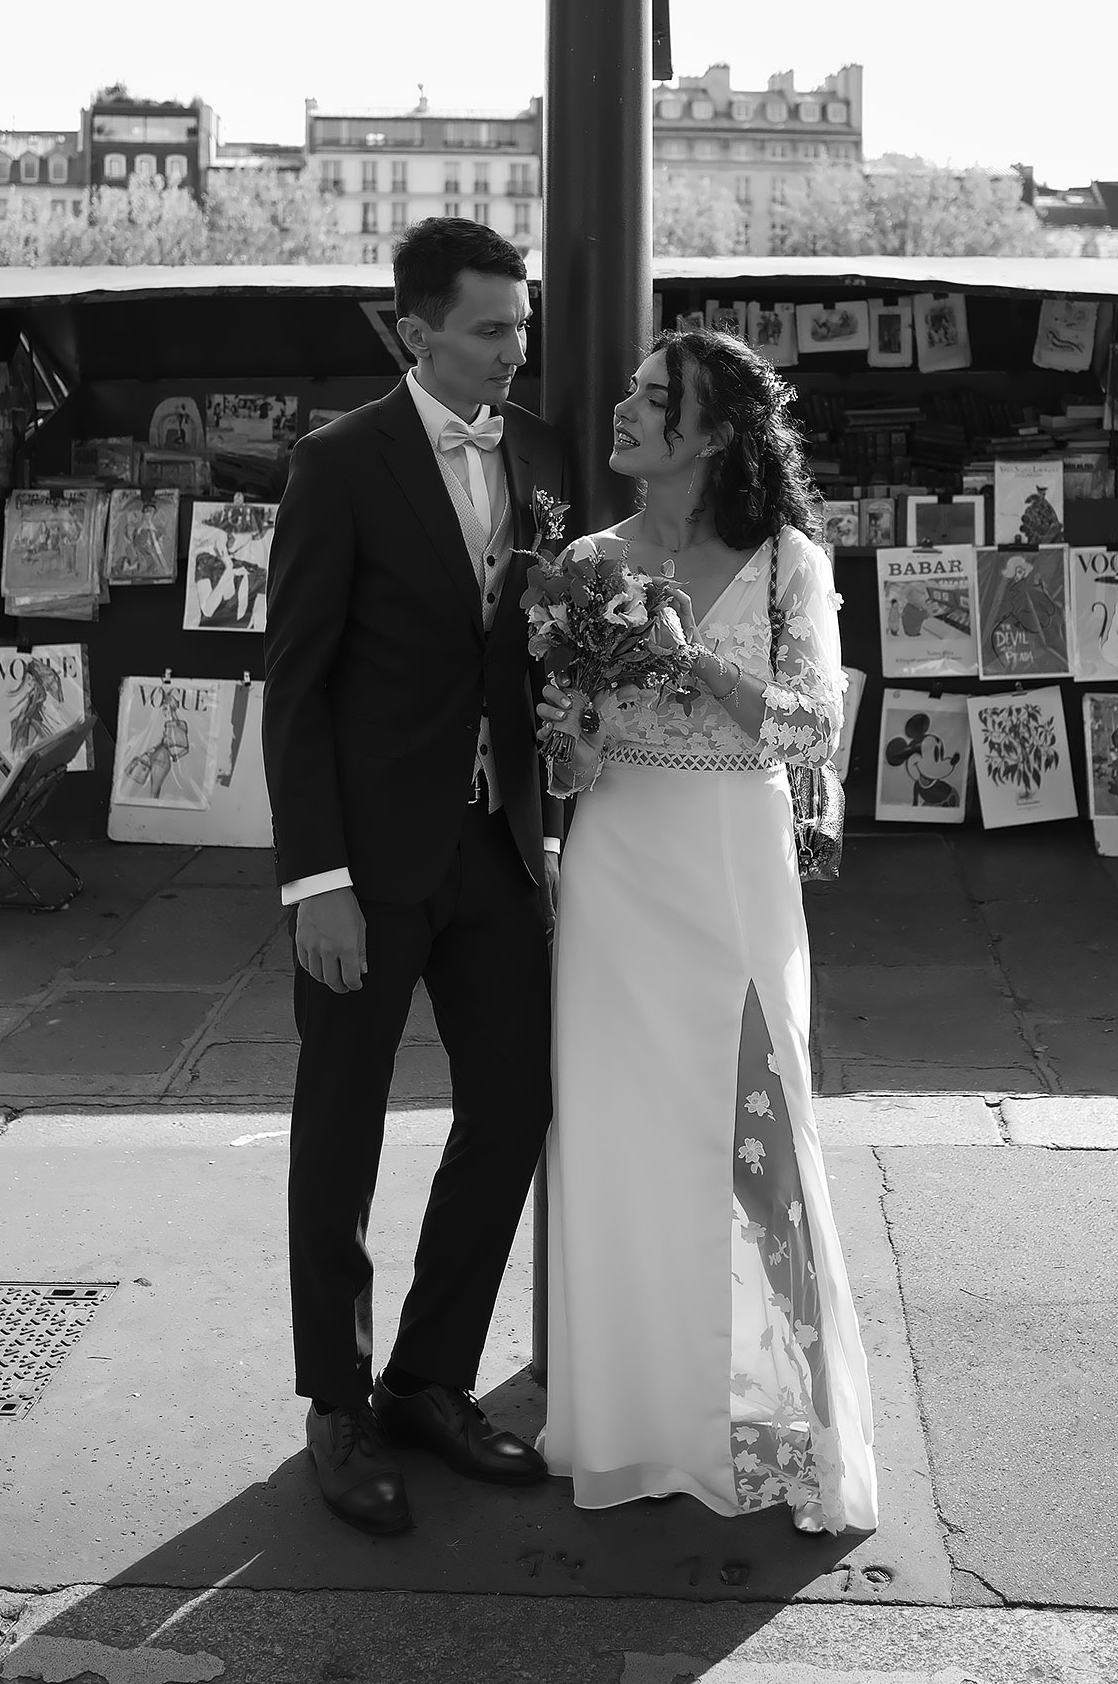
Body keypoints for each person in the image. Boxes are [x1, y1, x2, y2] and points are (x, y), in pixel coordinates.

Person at [536, 327, 877, 1539]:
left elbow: (811, 729)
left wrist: (695, 664)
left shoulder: (787, 562)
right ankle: (631, 1423)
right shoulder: (586, 563)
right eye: (630, 392)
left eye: (653, 398)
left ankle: (777, 1430)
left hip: (734, 873)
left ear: (716, 432)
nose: (624, 410)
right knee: (619, 1140)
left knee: (753, 1136)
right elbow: (570, 767)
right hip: (616, 871)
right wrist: (573, 733)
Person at [262, 217, 566, 1538]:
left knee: (514, 1105)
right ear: (416, 330)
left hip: (496, 853)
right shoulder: (338, 463)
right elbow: (295, 686)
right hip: (368, 867)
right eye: (492, 328)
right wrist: (315, 880)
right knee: (342, 1128)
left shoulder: (539, 452)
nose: (514, 350)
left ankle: (427, 1378)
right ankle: (335, 1404)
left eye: (521, 325)